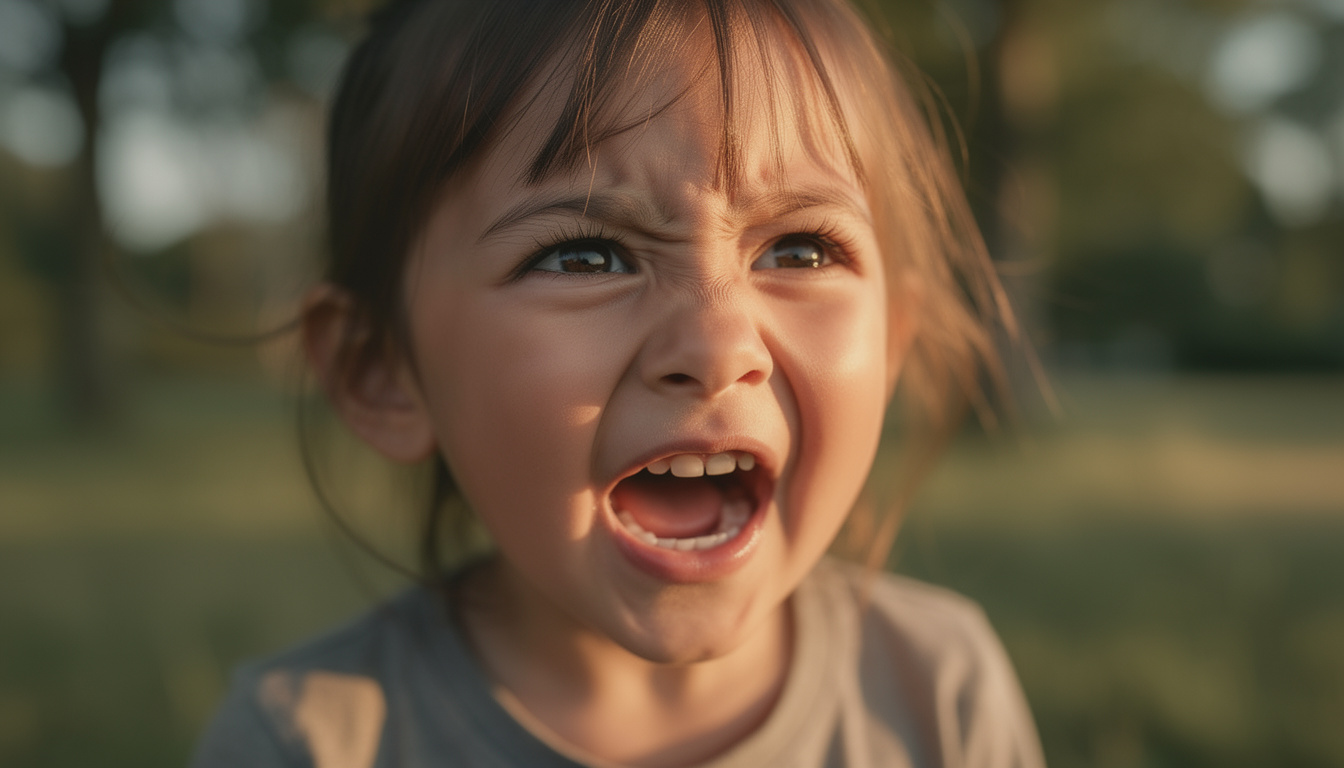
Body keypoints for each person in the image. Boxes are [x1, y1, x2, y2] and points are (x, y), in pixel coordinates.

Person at [191, 0, 1046, 766]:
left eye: (800, 250)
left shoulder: (938, 693)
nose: (717, 346)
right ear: (382, 371)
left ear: (890, 348)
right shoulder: (306, 741)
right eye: (584, 255)